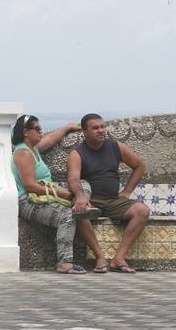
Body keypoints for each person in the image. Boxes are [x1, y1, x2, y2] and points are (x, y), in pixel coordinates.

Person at [11, 114, 108, 274]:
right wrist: (61, 193)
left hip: (45, 195)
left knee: (83, 185)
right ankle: (65, 262)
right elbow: (30, 186)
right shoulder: (23, 153)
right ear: (26, 132)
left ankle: (82, 204)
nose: (41, 132)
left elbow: (49, 140)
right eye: (37, 129)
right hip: (29, 202)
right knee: (67, 216)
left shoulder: (32, 149)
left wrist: (67, 127)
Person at [67, 113, 150, 273]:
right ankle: (100, 257)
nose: (101, 131)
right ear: (85, 132)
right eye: (95, 128)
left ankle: (119, 259)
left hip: (113, 200)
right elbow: (73, 179)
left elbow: (139, 166)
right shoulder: (76, 154)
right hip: (91, 200)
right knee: (80, 212)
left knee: (142, 211)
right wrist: (81, 196)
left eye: (102, 127)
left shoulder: (115, 146)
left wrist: (126, 192)